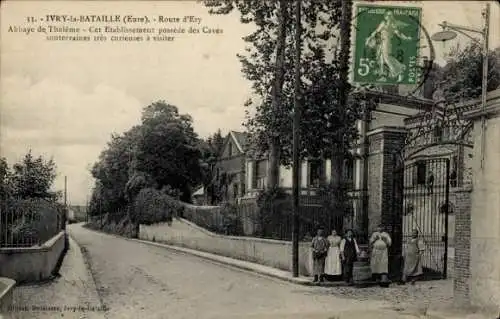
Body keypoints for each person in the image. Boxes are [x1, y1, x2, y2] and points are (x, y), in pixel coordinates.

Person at [364, 11, 413, 82]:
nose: (389, 17)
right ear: (385, 16)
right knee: (381, 60)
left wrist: (406, 38)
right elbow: (376, 31)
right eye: (388, 15)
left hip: (387, 42)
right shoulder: (383, 23)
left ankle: (400, 70)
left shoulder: (393, 25)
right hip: (381, 42)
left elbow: (399, 34)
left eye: (391, 15)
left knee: (386, 58)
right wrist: (369, 38)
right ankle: (383, 76)